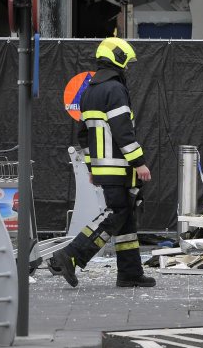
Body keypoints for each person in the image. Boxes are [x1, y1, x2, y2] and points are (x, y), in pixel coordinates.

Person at [49, 37, 155, 288]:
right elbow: (122, 131)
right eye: (126, 63)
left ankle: (130, 273)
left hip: (103, 167)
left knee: (126, 218)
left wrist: (91, 167)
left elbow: (84, 135)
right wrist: (139, 162)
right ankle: (72, 254)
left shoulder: (89, 92)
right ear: (118, 59)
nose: (127, 68)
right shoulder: (115, 90)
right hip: (119, 166)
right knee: (116, 214)